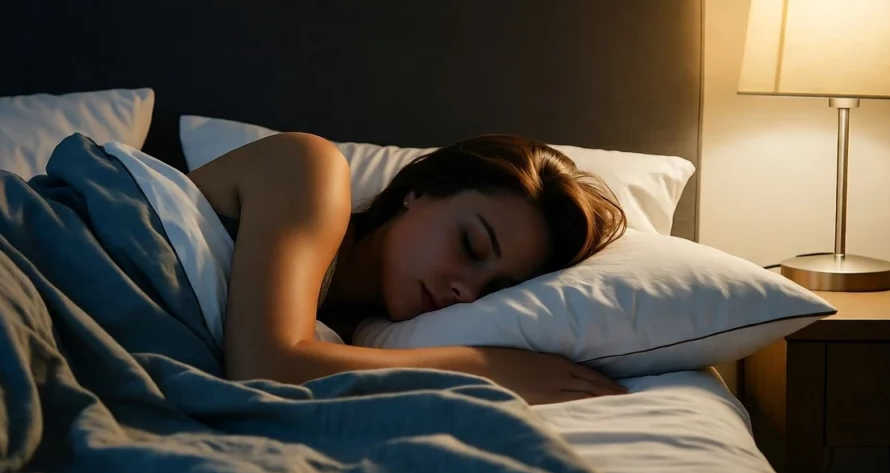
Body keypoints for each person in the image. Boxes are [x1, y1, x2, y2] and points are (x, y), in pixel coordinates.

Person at [189, 132, 628, 405]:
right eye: (471, 245)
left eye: (495, 288)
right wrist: (488, 368)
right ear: (417, 192)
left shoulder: (351, 337)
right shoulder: (309, 167)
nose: (467, 293)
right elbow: (264, 368)